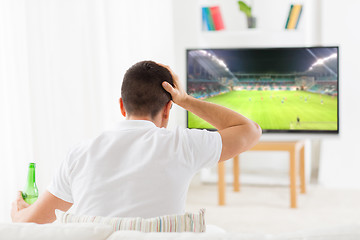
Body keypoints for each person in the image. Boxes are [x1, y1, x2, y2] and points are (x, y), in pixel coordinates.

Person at [11, 61, 261, 223]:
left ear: (121, 105)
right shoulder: (183, 145)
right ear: (167, 109)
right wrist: (185, 100)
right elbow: (250, 131)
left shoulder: (80, 153)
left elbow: (32, 222)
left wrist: (17, 213)